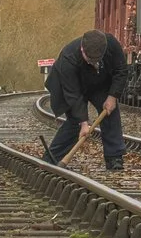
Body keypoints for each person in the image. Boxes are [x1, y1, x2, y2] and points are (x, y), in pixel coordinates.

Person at [43, 29, 127, 170]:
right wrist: (83, 123)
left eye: (97, 60)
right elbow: (73, 94)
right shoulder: (68, 58)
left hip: (98, 83)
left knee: (109, 112)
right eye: (89, 60)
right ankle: (52, 158)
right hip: (72, 85)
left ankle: (114, 157)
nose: (93, 63)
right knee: (75, 122)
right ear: (82, 49)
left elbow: (121, 70)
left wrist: (113, 96)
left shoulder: (111, 44)